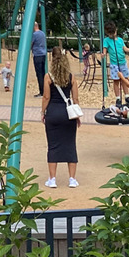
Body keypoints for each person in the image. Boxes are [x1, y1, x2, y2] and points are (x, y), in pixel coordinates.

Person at [41, 46, 80, 189]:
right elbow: (75, 98)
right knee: (70, 144)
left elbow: (46, 97)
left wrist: (43, 111)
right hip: (68, 113)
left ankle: (52, 179)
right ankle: (72, 179)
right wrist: (77, 115)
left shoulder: (48, 76)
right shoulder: (71, 76)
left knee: (53, 145)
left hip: (53, 111)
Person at [101, 21, 129, 106]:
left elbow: (125, 48)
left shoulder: (120, 40)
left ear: (116, 30)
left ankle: (127, 97)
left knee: (125, 79)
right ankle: (118, 98)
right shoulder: (106, 40)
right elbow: (104, 49)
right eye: (110, 34)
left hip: (122, 63)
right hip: (114, 64)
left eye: (113, 33)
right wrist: (103, 54)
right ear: (107, 33)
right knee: (116, 81)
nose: (112, 35)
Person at [32, 22, 47, 98]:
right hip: (43, 54)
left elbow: (31, 44)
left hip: (37, 55)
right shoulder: (42, 33)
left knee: (39, 74)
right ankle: (45, 90)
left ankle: (42, 92)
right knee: (43, 73)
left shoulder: (34, 35)